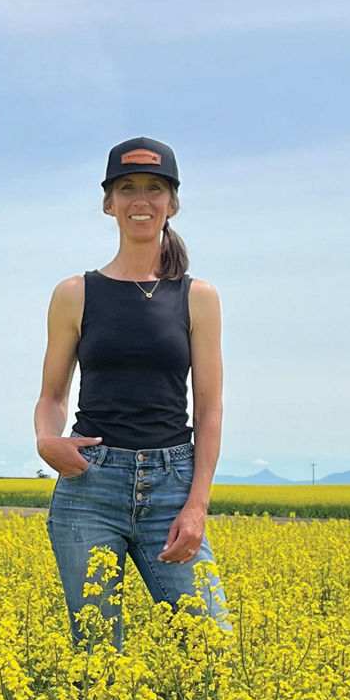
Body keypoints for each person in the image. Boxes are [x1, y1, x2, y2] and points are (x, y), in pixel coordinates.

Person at [34, 136, 229, 648]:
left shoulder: (198, 297)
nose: (140, 200)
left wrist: (197, 506)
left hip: (172, 484)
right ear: (109, 203)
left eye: (154, 188)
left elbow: (210, 407)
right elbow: (52, 396)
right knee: (99, 655)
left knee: (212, 648)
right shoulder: (74, 293)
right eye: (127, 188)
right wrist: (44, 439)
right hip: (91, 484)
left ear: (172, 203)